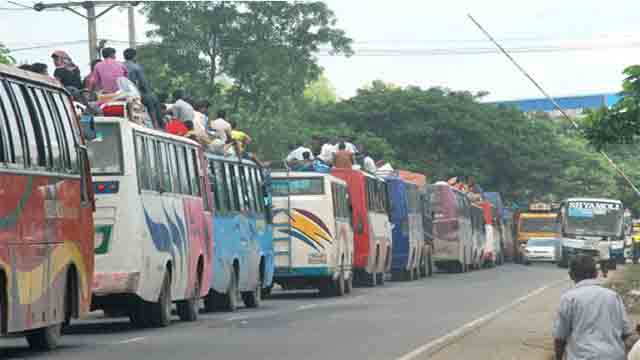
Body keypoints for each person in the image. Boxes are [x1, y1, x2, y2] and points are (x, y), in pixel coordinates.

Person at [553, 254, 633, 360]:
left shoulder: (569, 299)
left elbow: (560, 338)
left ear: (571, 275)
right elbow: (626, 333)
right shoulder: (612, 296)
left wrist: (558, 358)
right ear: (596, 273)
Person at [123, 48, 163, 128]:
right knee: (151, 100)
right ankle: (157, 124)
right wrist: (148, 92)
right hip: (132, 93)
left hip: (120, 92)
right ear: (134, 56)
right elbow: (143, 83)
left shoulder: (121, 65)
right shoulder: (136, 67)